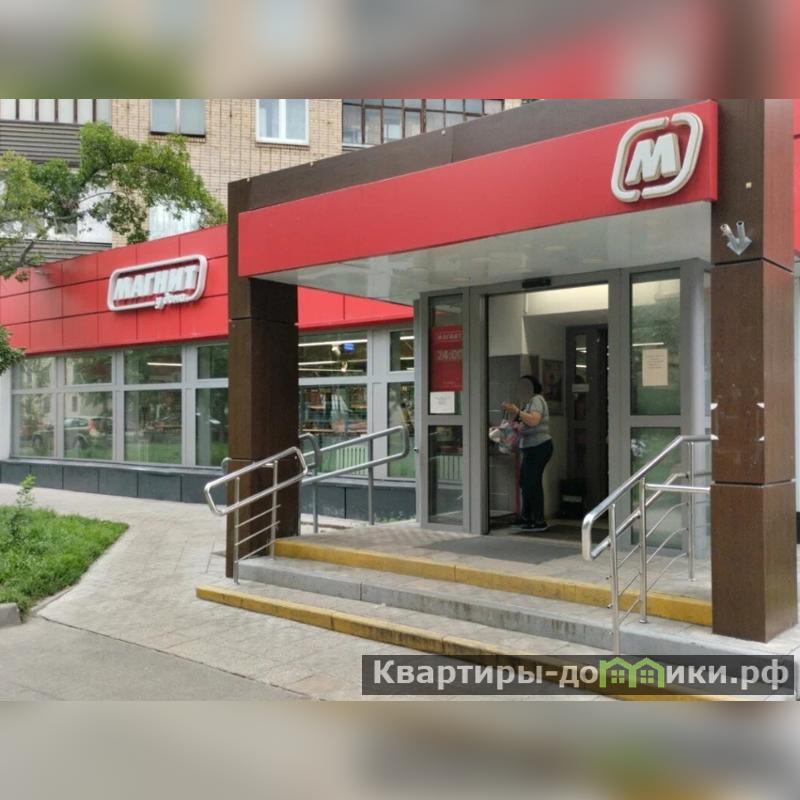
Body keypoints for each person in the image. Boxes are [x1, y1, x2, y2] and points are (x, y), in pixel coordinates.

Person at [502, 375, 553, 532]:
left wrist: (517, 411)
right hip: (531, 447)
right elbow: (523, 423)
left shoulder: (537, 400)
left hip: (539, 446)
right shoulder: (528, 403)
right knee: (526, 482)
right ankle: (527, 517)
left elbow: (534, 421)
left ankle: (538, 520)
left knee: (532, 483)